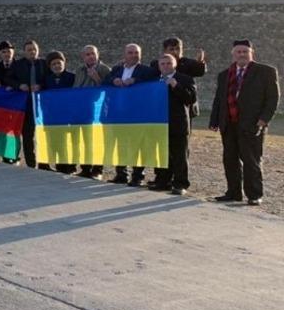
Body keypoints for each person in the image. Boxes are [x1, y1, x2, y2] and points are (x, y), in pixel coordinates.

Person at [209, 40, 280, 205]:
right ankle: (233, 193)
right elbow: (219, 99)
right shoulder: (224, 74)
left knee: (251, 160)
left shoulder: (266, 72)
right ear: (233, 54)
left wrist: (264, 119)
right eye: (238, 52)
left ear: (251, 53)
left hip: (253, 124)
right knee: (230, 159)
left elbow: (273, 98)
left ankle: (254, 195)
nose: (241, 54)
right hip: (229, 124)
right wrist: (214, 120)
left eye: (245, 51)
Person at [107, 43, 157, 186]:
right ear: (124, 54)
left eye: (136, 53)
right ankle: (121, 174)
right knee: (120, 145)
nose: (134, 55)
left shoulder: (147, 71)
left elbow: (153, 82)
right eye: (130, 52)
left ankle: (137, 177)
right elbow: (106, 81)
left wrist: (135, 81)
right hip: (119, 113)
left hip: (138, 114)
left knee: (138, 145)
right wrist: (113, 80)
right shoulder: (116, 70)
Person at [148, 53, 198, 195]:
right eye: (162, 64)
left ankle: (180, 184)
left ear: (175, 64)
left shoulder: (185, 79)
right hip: (159, 124)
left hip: (178, 123)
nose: (165, 66)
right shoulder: (154, 81)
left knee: (179, 156)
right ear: (159, 66)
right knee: (162, 155)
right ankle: (163, 181)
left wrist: (176, 86)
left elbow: (191, 99)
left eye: (169, 63)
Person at [73, 45, 111, 179]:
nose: (91, 56)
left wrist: (97, 78)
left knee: (97, 139)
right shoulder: (79, 70)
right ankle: (85, 168)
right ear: (83, 57)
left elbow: (109, 90)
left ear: (98, 54)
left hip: (97, 110)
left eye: (93, 54)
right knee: (85, 139)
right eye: (87, 54)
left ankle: (97, 169)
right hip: (82, 109)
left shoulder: (105, 69)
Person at [11, 40, 47, 168]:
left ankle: (44, 163)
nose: (32, 52)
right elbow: (8, 78)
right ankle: (31, 163)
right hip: (25, 105)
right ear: (24, 52)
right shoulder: (17, 65)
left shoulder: (44, 64)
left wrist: (41, 86)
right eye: (29, 50)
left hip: (42, 105)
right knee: (27, 136)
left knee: (43, 135)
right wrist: (19, 85)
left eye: (34, 49)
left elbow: (49, 80)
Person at [41, 51, 76, 173]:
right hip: (52, 116)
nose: (57, 66)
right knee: (56, 141)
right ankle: (59, 165)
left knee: (68, 142)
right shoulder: (47, 80)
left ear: (64, 63)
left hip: (68, 115)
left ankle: (70, 166)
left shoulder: (72, 77)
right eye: (53, 64)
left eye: (59, 63)